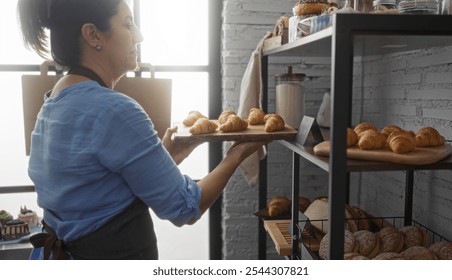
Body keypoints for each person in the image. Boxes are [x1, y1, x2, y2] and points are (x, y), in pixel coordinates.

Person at [17, 0, 268, 260]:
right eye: (128, 24)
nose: (139, 35)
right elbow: (186, 207)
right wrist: (237, 153)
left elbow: (94, 190)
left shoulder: (53, 101)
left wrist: (164, 156)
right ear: (93, 35)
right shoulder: (114, 109)